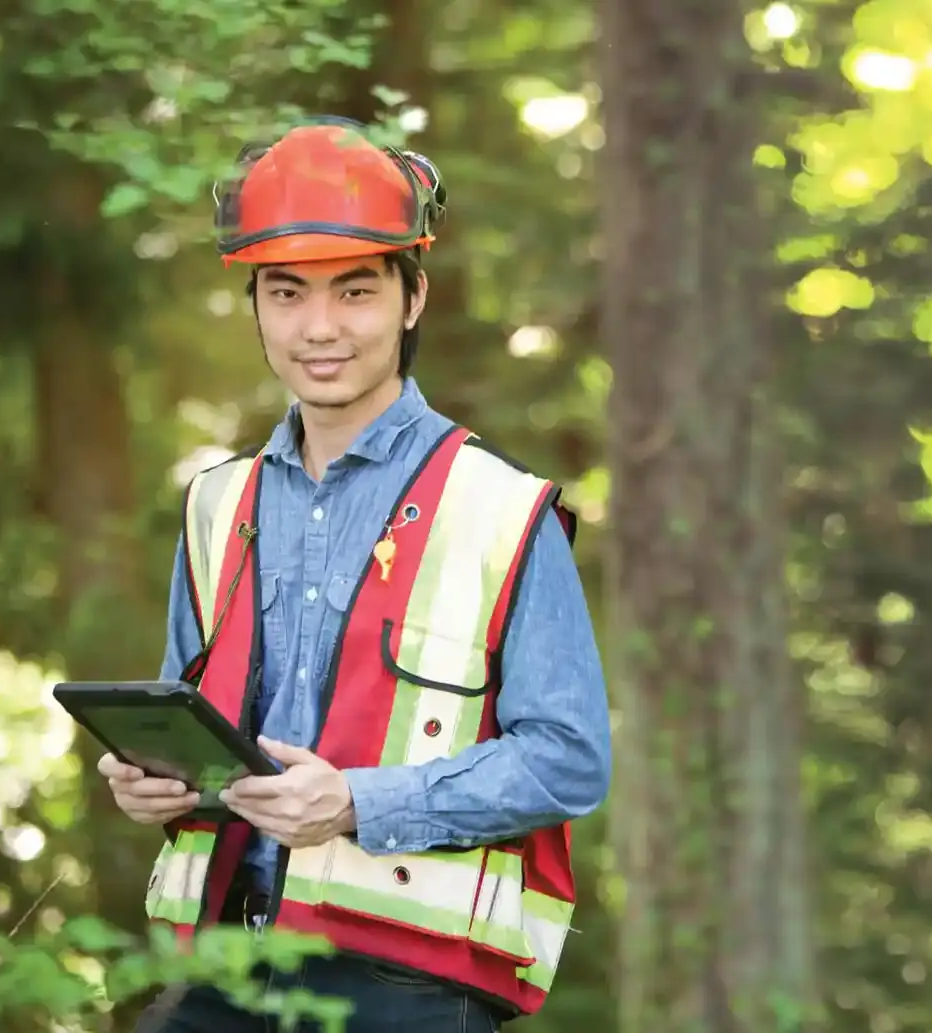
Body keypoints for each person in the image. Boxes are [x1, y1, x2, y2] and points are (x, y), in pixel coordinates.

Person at [96, 117, 612, 1032]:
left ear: (413, 299)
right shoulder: (216, 504)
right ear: (253, 302)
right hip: (229, 962)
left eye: (356, 291)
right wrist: (159, 776)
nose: (320, 327)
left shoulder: (502, 510)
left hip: (410, 987)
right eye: (287, 293)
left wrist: (358, 801)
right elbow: (197, 710)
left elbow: (569, 760)